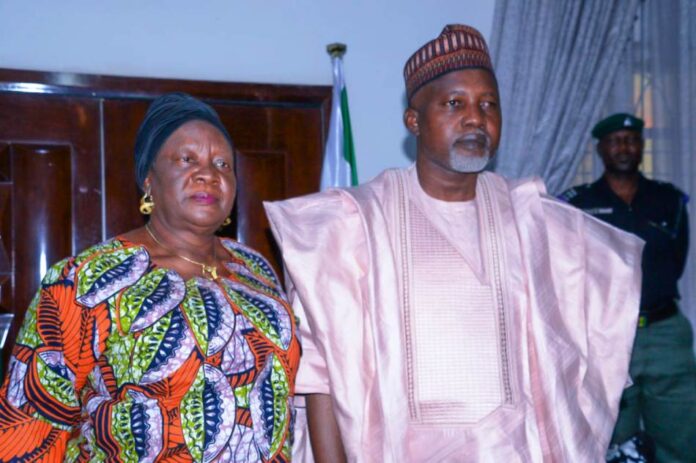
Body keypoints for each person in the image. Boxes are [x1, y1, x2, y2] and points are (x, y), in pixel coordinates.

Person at [265, 25, 643, 462]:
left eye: (488, 105)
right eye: (454, 103)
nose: (475, 118)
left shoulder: (534, 220)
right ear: (414, 121)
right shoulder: (354, 223)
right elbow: (320, 376)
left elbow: (600, 308)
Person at [0, 93, 300, 461]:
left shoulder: (256, 269)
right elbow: (28, 431)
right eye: (187, 159)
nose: (208, 173)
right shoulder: (83, 280)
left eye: (223, 164)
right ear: (148, 180)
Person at [560, 113, 696, 462]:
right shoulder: (578, 204)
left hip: (665, 332)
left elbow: (675, 260)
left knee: (679, 436)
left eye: (631, 139)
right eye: (616, 140)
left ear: (642, 146)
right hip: (606, 334)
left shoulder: (669, 201)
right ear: (601, 149)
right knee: (612, 440)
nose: (624, 147)